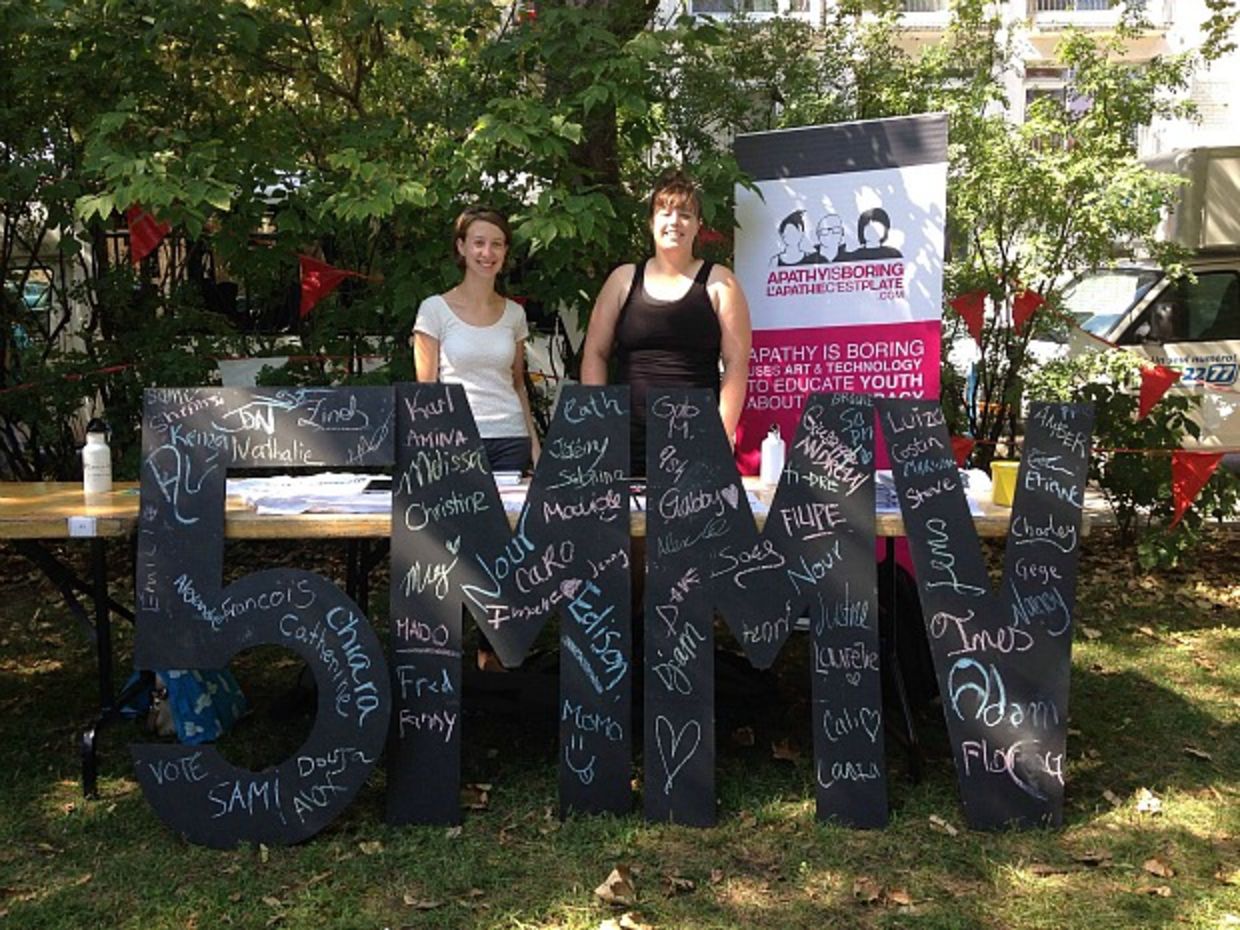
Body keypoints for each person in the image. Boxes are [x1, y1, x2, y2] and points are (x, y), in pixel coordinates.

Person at [581, 170, 752, 475]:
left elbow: (737, 363)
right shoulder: (622, 280)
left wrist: (720, 434)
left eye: (685, 214)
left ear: (698, 225)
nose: (675, 222)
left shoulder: (721, 282)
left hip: (696, 438)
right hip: (625, 437)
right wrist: (599, 422)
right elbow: (595, 352)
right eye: (665, 212)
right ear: (651, 223)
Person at [412, 206, 540, 472]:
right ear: (461, 246)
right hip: (456, 440)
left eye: (497, 244)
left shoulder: (515, 314)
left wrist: (536, 448)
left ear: (505, 251)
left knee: (510, 515)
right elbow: (427, 391)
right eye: (478, 243)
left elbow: (517, 385)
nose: (487, 253)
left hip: (511, 439)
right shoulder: (433, 310)